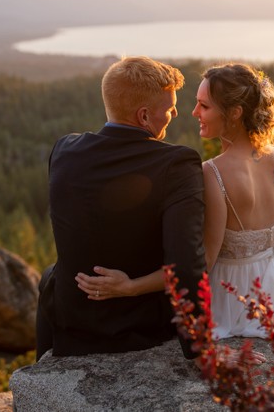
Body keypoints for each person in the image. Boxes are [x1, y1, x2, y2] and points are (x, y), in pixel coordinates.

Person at [77, 63, 274, 340]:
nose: (194, 113)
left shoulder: (213, 172)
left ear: (234, 113)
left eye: (204, 106)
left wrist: (131, 286)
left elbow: (202, 264)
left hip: (236, 301)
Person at [36, 56, 206, 360]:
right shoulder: (177, 164)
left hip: (72, 322)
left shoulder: (64, 150)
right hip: (138, 327)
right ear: (143, 117)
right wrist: (202, 350)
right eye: (168, 109)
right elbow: (186, 263)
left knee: (51, 272)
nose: (175, 113)